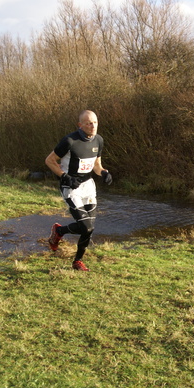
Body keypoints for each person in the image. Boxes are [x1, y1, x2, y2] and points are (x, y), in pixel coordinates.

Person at [44, 110, 113, 271]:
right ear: (80, 125)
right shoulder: (69, 141)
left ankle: (62, 236)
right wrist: (64, 176)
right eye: (88, 123)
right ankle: (75, 258)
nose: (92, 126)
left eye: (95, 122)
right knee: (86, 227)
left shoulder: (99, 140)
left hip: (88, 185)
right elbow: (50, 160)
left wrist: (104, 173)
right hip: (71, 187)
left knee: (89, 227)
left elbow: (97, 165)